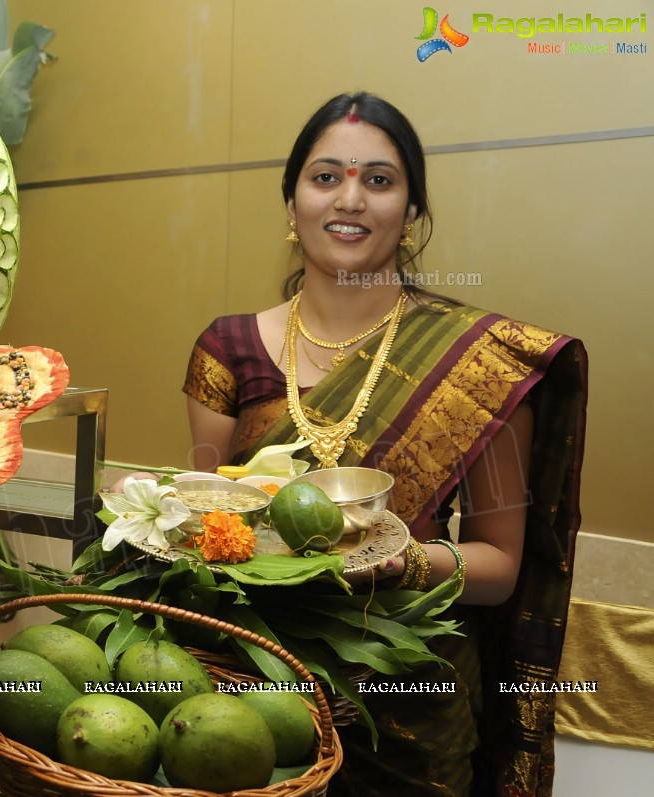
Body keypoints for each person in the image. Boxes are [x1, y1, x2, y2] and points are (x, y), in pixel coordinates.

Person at [182, 92, 587, 796]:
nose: (350, 199)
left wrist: (396, 563)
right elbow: (209, 524)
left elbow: (497, 565)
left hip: (409, 696)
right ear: (290, 203)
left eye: (377, 179)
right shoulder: (227, 349)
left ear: (410, 215)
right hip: (250, 690)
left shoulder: (478, 362)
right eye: (324, 176)